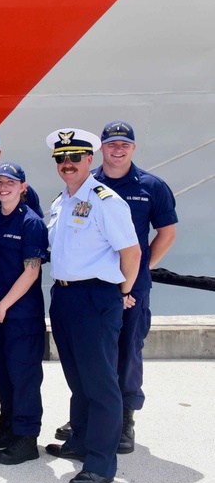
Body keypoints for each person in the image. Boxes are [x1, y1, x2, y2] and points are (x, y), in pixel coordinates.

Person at [54, 121, 177, 453]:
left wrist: (129, 279)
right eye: (112, 144)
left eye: (125, 144)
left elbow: (164, 235)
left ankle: (123, 421)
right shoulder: (78, 188)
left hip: (127, 287)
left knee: (126, 352)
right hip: (99, 287)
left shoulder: (150, 186)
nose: (118, 149)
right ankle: (89, 423)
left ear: (133, 148)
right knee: (93, 358)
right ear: (101, 151)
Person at [44, 128, 141, 483]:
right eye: (61, 159)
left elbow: (131, 253)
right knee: (78, 379)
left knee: (101, 383)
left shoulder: (105, 200)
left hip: (96, 297)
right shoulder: (61, 202)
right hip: (65, 296)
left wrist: (121, 292)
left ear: (90, 159)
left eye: (74, 158)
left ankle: (100, 463)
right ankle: (81, 442)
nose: (67, 165)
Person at [0, 162, 48, 465]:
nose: (3, 187)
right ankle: (9, 427)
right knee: (2, 375)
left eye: (10, 182)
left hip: (20, 316)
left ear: (23, 187)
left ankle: (27, 438)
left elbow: (31, 272)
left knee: (24, 377)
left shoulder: (31, 223)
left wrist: (3, 305)